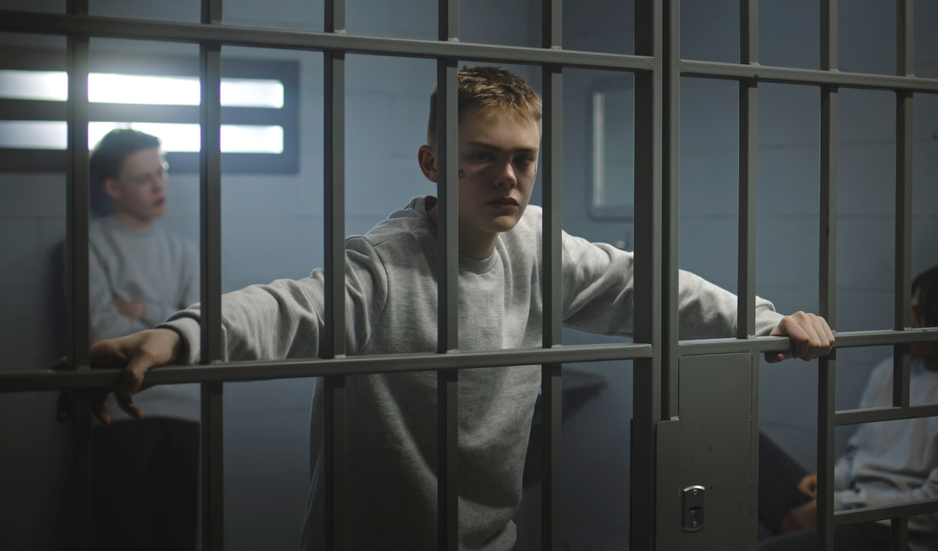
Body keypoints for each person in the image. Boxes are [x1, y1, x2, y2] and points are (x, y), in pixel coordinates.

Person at [57, 67, 834, 551]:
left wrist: (764, 321)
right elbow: (286, 309)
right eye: (485, 156)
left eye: (523, 157)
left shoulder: (539, 247)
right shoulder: (384, 265)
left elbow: (651, 287)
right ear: (435, 163)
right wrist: (176, 335)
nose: (508, 176)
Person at [758, 264, 938, 551]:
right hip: (852, 500)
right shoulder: (891, 371)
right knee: (751, 446)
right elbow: (860, 450)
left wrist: (835, 505)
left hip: (899, 531)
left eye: (920, 310)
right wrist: (830, 483)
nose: (909, 318)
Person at [85, 128, 200, 550]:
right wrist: (166, 317)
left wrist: (142, 311)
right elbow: (101, 334)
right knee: (124, 534)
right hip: (120, 408)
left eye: (162, 171)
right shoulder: (89, 244)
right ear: (113, 187)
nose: (159, 184)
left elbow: (196, 333)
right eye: (143, 177)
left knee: (178, 535)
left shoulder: (185, 249)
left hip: (186, 409)